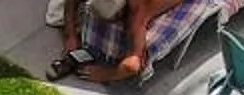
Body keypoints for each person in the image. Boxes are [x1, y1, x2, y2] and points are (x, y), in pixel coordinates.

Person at [47, 0, 189, 85]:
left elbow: (133, 65)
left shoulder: (138, 9)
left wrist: (107, 74)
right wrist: (70, 35)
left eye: (117, 17)